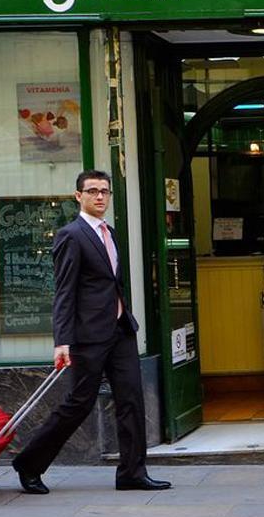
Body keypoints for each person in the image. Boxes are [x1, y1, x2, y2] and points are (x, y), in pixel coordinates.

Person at [12, 170, 170, 494]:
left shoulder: (109, 232)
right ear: (78, 196)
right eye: (93, 191)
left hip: (120, 330)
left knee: (131, 400)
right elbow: (64, 291)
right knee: (79, 403)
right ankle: (29, 463)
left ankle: (131, 472)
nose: (100, 197)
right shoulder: (71, 235)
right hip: (88, 336)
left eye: (105, 191)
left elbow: (112, 283)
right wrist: (62, 341)